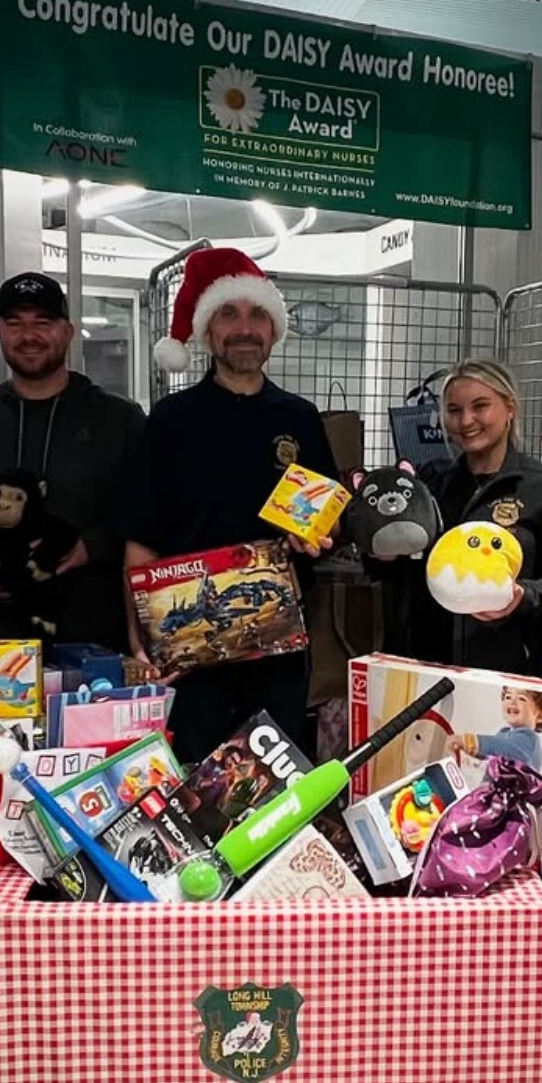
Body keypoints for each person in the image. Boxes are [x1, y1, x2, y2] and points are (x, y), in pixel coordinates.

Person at [127, 247, 336, 762]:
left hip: (279, 650)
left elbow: (328, 516)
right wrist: (141, 641)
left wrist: (319, 537)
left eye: (257, 314)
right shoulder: (171, 421)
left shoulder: (302, 418)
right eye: (229, 313)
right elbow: (139, 536)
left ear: (274, 328)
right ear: (206, 331)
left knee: (280, 785)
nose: (245, 328)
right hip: (192, 650)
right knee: (196, 788)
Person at [0, 272, 145, 649]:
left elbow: (148, 507)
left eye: (43, 322)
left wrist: (92, 546)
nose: (29, 336)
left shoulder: (120, 421)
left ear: (68, 331)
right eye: (15, 323)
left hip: (95, 638)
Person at [376, 360, 542, 674]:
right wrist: (380, 552)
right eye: (454, 410)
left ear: (509, 408)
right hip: (426, 666)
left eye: (480, 406)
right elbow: (395, 571)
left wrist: (525, 595)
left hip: (511, 674)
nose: (466, 420)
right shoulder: (430, 484)